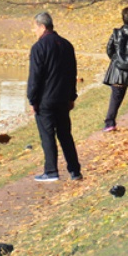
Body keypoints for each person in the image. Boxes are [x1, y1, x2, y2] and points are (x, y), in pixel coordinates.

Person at [26, 12, 82, 182]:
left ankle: (51, 171)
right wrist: (72, 96)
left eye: (35, 27)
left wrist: (32, 99)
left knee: (47, 135)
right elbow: (72, 72)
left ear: (42, 27)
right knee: (65, 134)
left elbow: (35, 76)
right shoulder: (66, 45)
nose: (33, 30)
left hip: (46, 99)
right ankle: (75, 170)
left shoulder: (39, 47)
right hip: (63, 98)